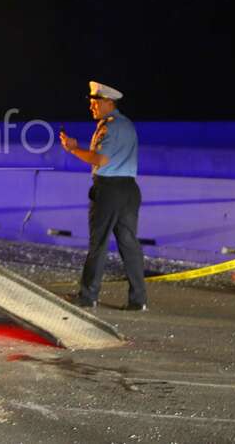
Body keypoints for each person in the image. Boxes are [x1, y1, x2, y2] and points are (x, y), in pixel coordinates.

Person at [60, 81, 147, 311]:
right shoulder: (127, 125)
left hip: (109, 190)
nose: (91, 106)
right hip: (129, 189)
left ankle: (88, 296)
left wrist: (73, 149)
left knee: (98, 243)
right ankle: (138, 299)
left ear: (108, 102)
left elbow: (100, 159)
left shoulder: (110, 127)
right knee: (129, 244)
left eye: (95, 102)